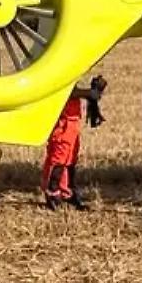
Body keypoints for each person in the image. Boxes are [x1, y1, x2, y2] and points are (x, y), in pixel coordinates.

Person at [41, 75, 107, 210]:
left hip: (72, 121)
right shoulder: (58, 69)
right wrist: (89, 93)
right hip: (63, 122)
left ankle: (66, 192)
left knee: (70, 158)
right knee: (59, 157)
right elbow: (66, 91)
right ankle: (52, 192)